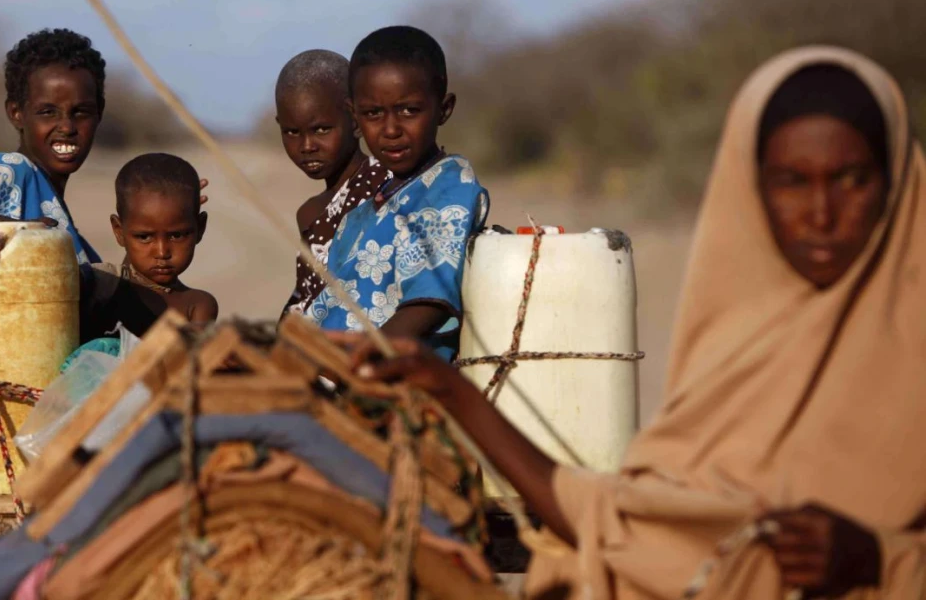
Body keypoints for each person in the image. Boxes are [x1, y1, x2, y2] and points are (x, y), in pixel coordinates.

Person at [337, 46, 926, 599]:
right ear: (751, 192)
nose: (821, 215)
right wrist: (451, 391)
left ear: (896, 182)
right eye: (792, 182)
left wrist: (882, 560)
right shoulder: (732, 348)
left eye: (852, 179)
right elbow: (631, 529)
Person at [0, 28, 209, 264]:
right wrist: (25, 230)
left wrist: (170, 213)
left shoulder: (71, 233)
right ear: (16, 113)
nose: (67, 127)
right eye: (48, 112)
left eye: (81, 112)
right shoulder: (8, 170)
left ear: (99, 113)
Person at [307, 26, 489, 361]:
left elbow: (426, 304)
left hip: (390, 377)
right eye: (374, 113)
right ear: (355, 118)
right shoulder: (363, 212)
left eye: (409, 110)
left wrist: (357, 363)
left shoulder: (449, 186)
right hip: (331, 365)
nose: (391, 130)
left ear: (443, 109)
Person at [274, 49, 389, 318]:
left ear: (356, 121)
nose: (306, 146)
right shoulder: (309, 213)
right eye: (292, 132)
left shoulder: (388, 187)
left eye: (322, 129)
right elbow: (307, 297)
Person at [79, 153, 217, 345]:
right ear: (119, 231)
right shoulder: (102, 285)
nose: (161, 252)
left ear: (200, 228)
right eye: (144, 237)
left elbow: (191, 367)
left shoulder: (197, 305)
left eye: (176, 235)